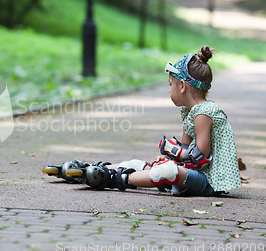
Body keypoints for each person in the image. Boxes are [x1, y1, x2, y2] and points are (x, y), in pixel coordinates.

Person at [43, 46, 242, 197]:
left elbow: (200, 156)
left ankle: (114, 179)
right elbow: (185, 148)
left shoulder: (204, 113)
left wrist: (173, 151)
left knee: (168, 170)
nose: (169, 89)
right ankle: (93, 169)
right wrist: (172, 154)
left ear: (182, 86)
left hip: (208, 182)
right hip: (194, 174)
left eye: (170, 84)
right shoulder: (189, 112)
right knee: (142, 164)